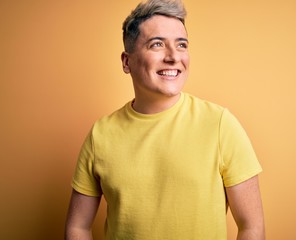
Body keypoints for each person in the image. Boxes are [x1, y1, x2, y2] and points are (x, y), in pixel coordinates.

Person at [65, 0, 265, 239]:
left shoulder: (220, 124)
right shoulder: (101, 134)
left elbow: (252, 227)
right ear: (127, 62)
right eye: (157, 44)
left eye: (181, 45)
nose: (173, 57)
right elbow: (78, 227)